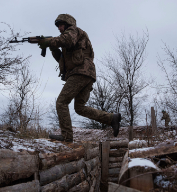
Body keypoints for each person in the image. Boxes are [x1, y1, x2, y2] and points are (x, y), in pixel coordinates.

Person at [38, 14, 121, 142]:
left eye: (61, 25)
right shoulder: (70, 39)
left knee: (61, 102)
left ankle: (66, 136)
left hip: (81, 72)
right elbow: (62, 60)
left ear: (67, 24)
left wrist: (49, 41)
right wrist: (53, 48)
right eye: (58, 26)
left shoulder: (74, 31)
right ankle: (111, 118)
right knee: (79, 107)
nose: (59, 28)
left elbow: (67, 40)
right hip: (86, 74)